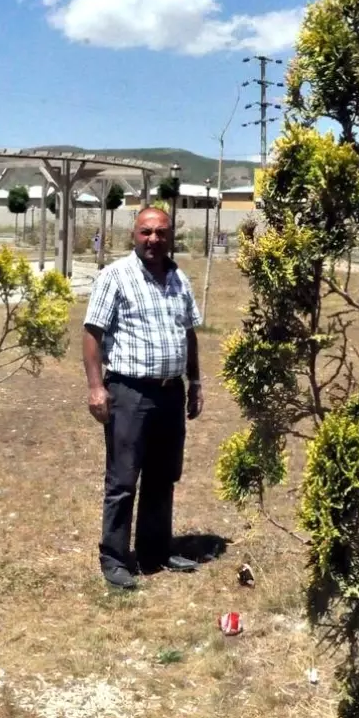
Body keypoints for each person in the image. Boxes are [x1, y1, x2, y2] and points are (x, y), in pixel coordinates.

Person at [81, 207, 204, 589]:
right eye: (146, 232)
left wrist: (196, 381)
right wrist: (96, 386)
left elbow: (188, 333)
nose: (154, 239)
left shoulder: (178, 277)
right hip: (129, 392)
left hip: (170, 392)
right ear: (134, 234)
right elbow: (91, 332)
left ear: (171, 237)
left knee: (162, 475)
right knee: (122, 479)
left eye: (161, 233)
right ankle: (115, 559)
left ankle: (155, 550)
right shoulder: (115, 276)